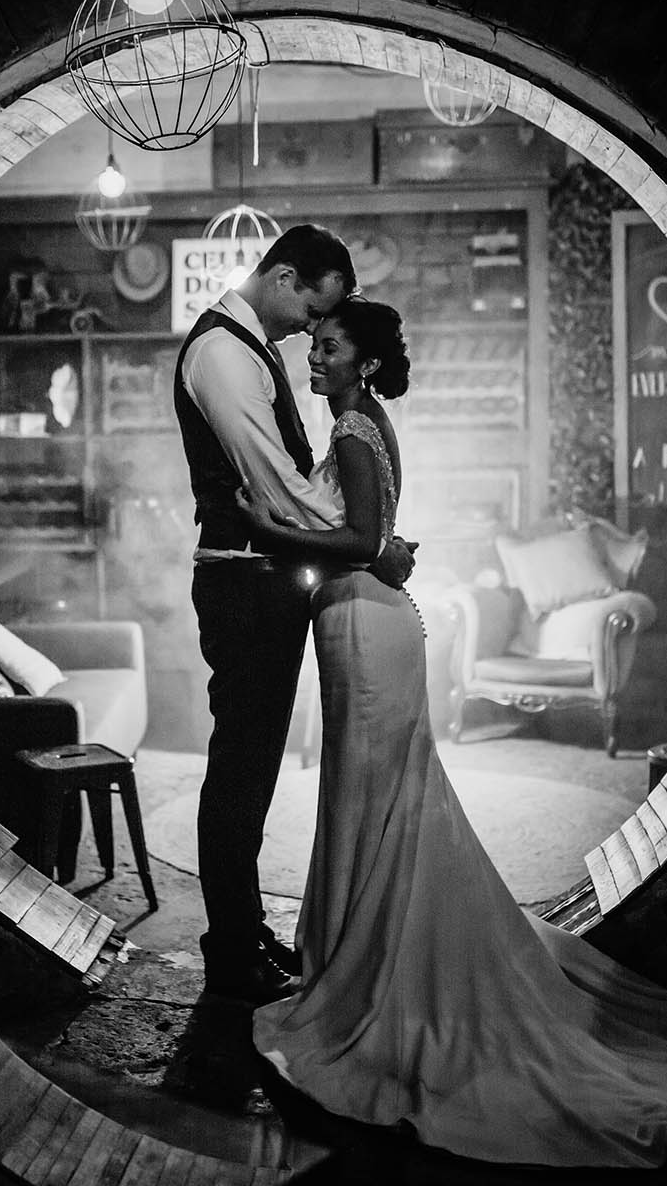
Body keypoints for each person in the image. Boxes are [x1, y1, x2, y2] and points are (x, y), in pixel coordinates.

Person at [238, 297, 667, 1168]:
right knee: (382, 796)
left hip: (365, 622)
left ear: (360, 360)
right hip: (372, 620)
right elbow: (375, 536)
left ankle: (372, 979)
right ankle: (364, 954)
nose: (311, 356)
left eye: (326, 345)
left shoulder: (353, 429)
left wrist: (264, 524)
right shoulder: (366, 420)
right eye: (313, 344)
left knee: (373, 794)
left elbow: (361, 536)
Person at [173, 224, 416, 1006]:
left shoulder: (255, 354)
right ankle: (231, 951)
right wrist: (366, 545)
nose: (316, 330)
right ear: (283, 276)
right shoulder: (222, 353)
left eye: (329, 325)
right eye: (317, 309)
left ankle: (242, 934)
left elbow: (300, 489)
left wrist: (361, 535)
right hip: (243, 581)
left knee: (255, 768)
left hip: (265, 579)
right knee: (240, 770)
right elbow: (271, 486)